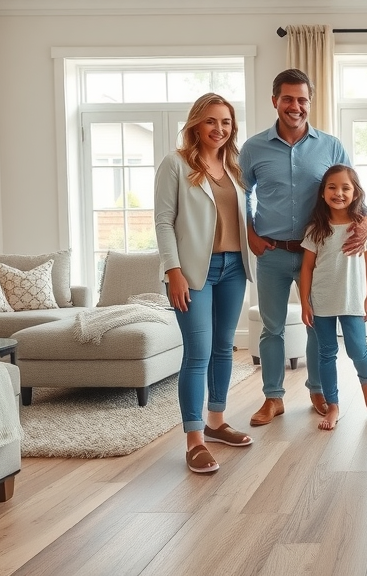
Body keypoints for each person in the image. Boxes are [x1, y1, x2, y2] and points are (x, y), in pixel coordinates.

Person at [240, 68, 367, 426]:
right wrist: (250, 232)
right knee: (272, 328)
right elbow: (240, 196)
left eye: (302, 99)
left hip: (322, 257)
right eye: (288, 99)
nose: (295, 106)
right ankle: (273, 398)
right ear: (274, 101)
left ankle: (318, 391)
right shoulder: (253, 149)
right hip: (272, 254)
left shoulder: (331, 145)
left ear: (310, 102)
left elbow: (353, 191)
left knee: (319, 327)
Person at [154, 92, 253, 474]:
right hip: (193, 271)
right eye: (211, 121)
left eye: (226, 122)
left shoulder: (234, 166)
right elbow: (164, 221)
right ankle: (194, 441)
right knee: (198, 353)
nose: (219, 129)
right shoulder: (175, 165)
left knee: (224, 348)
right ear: (196, 123)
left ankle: (216, 423)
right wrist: (172, 270)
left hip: (233, 268)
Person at [298, 165, 367, 430]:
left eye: (346, 187)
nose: (339, 193)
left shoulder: (362, 228)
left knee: (357, 348)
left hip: (352, 300)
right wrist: (304, 303)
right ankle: (333, 405)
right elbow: (307, 268)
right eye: (332, 187)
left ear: (355, 192)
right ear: (323, 193)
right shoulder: (315, 229)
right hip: (321, 301)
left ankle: (366, 381)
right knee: (326, 353)